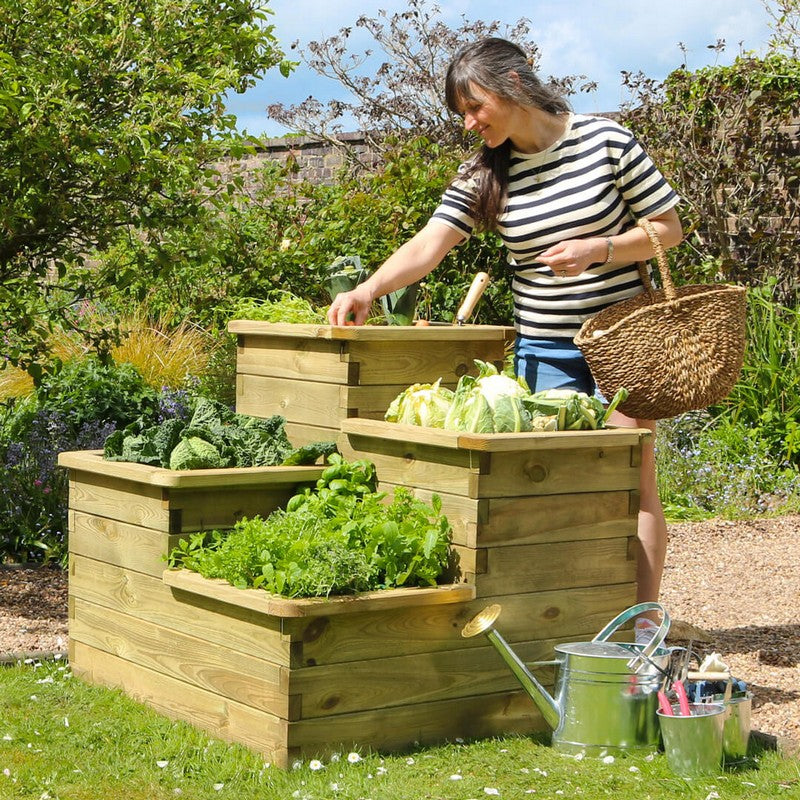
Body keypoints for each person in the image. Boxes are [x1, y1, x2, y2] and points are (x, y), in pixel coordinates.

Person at [327, 37, 683, 641]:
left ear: (514, 84)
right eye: (461, 113)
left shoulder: (607, 142)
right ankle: (563, 621)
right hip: (545, 352)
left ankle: (641, 631)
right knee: (550, 493)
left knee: (630, 487)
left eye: (474, 107)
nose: (469, 124)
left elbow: (668, 229)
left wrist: (600, 250)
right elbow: (429, 244)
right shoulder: (486, 171)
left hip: (622, 345)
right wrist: (367, 288)